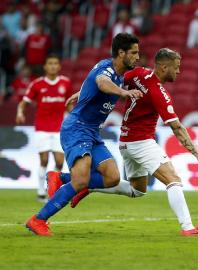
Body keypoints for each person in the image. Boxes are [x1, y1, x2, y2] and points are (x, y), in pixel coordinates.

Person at [70, 48, 198, 236]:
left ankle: (90, 186)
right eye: (176, 67)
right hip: (141, 141)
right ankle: (188, 228)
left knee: (137, 190)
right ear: (164, 67)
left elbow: (111, 81)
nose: (179, 71)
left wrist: (82, 92)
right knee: (173, 180)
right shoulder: (159, 93)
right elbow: (177, 128)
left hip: (125, 142)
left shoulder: (138, 73)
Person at [25, 33, 143, 236]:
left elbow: (95, 85)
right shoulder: (106, 70)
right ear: (121, 53)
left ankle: (60, 177)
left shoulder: (120, 74)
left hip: (92, 132)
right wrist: (123, 93)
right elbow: (101, 82)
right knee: (80, 180)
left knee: (112, 177)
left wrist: (81, 93)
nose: (137, 57)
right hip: (76, 129)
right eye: (134, 53)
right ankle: (38, 220)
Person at [16, 54, 73, 202]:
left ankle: (53, 188)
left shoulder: (65, 83)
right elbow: (24, 102)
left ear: (59, 66)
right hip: (42, 128)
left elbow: (70, 105)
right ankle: (41, 191)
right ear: (45, 67)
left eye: (55, 63)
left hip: (59, 128)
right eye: (50, 64)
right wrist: (20, 113)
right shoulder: (37, 84)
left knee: (60, 162)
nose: (53, 66)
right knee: (44, 160)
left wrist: (73, 118)